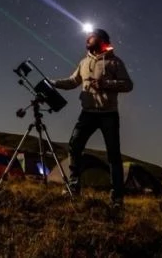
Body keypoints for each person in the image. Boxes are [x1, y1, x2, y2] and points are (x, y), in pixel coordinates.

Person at [52, 28, 133, 206]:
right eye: (88, 37)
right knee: (74, 146)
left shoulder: (114, 62)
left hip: (108, 115)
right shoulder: (83, 62)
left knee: (113, 156)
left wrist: (106, 84)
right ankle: (73, 187)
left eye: (92, 37)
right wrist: (53, 83)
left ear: (102, 40)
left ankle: (117, 198)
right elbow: (73, 81)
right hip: (87, 113)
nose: (88, 39)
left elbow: (128, 85)